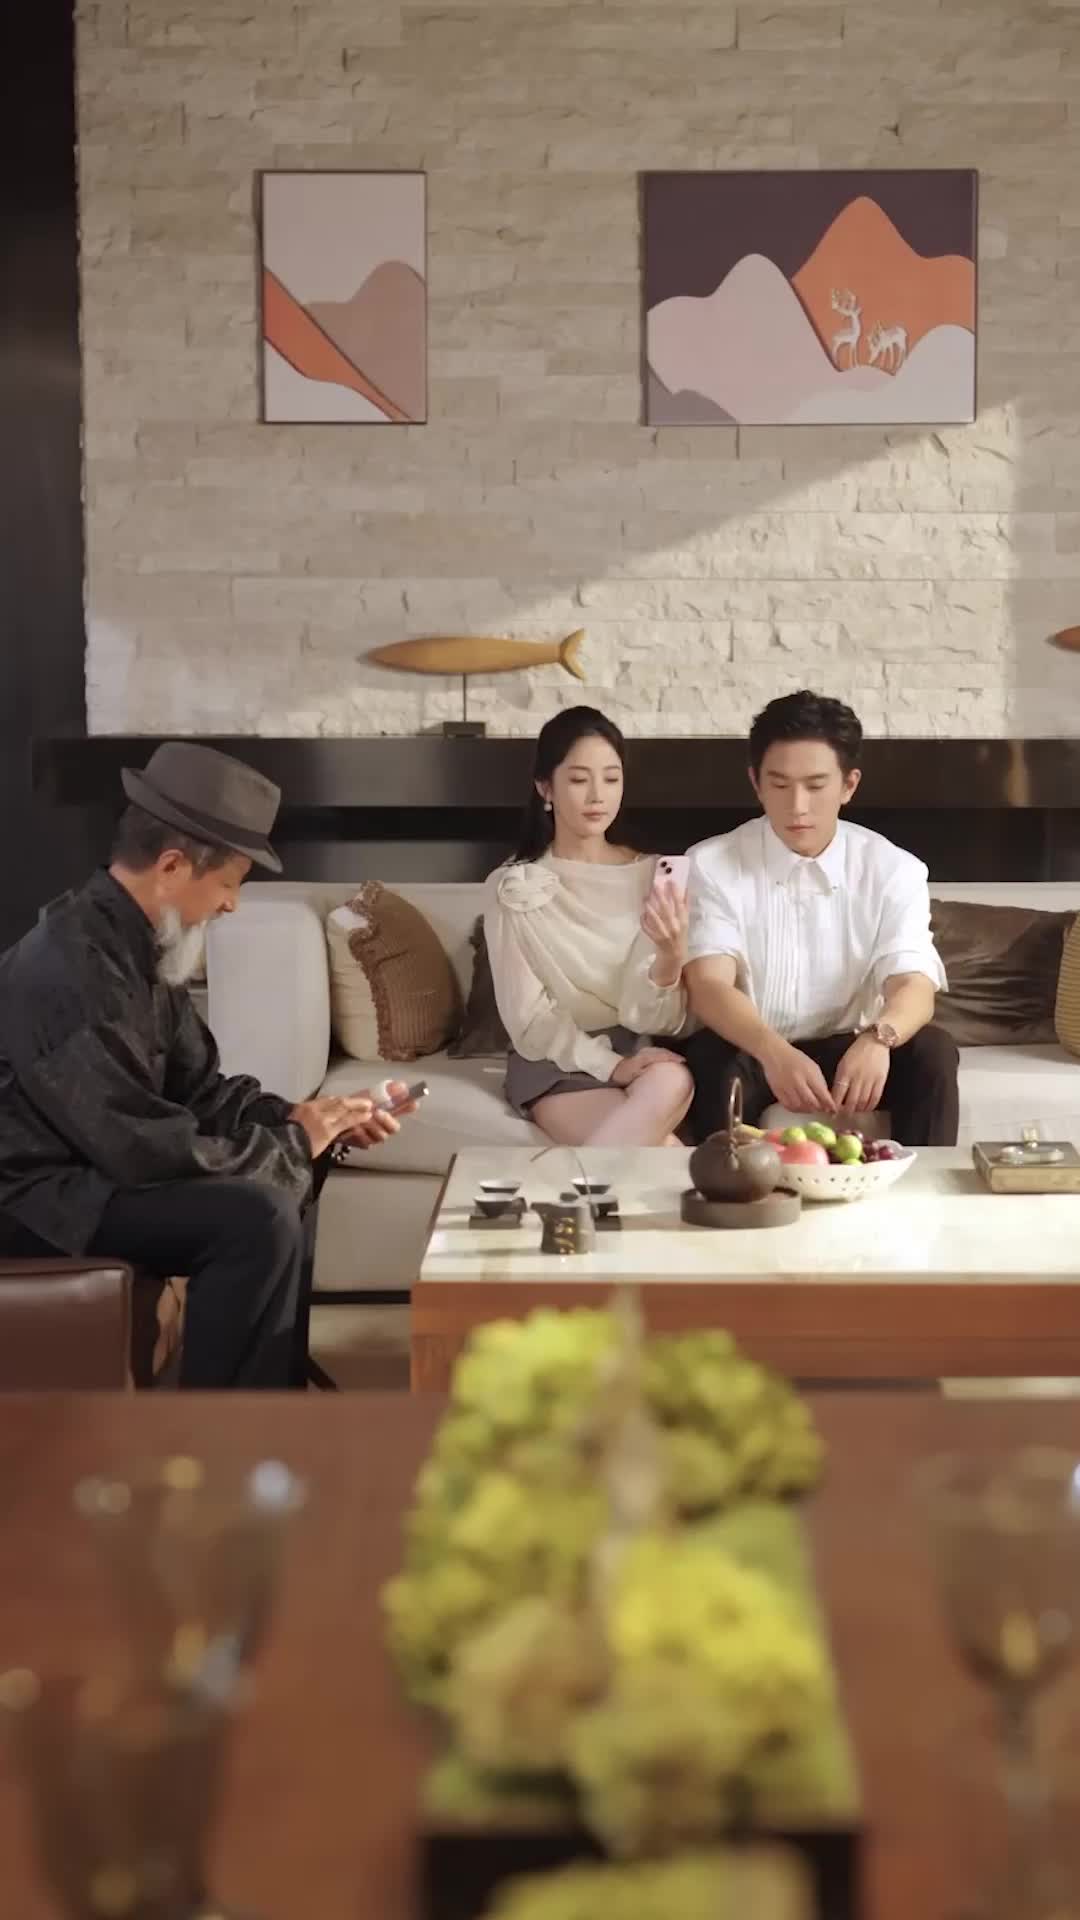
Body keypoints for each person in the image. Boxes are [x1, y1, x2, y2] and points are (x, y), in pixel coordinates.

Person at [0, 742, 415, 1389]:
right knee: (254, 1219)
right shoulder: (68, 965)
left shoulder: (143, 945)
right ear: (172, 866)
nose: (231, 905)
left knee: (292, 1175)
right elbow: (134, 1144)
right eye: (229, 883)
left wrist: (308, 1120)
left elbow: (202, 1091)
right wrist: (289, 1142)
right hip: (40, 1198)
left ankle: (271, 1400)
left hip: (97, 1170)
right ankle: (220, 1435)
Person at [682, 691, 958, 1147]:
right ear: (755, 782)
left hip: (853, 1042)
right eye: (779, 785)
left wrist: (879, 1039)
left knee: (933, 1050)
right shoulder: (711, 864)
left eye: (815, 786)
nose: (797, 806)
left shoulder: (894, 869)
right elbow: (709, 984)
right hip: (754, 1044)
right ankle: (729, 1182)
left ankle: (924, 1186)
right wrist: (773, 1051)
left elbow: (914, 983)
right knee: (712, 1054)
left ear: (848, 785)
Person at [485, 706, 694, 1147]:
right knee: (668, 1156)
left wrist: (671, 958)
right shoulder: (514, 886)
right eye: (580, 780)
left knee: (673, 1078)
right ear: (546, 788)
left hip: (639, 1050)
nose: (598, 795)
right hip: (556, 1059)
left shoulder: (653, 874)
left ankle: (573, 1186)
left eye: (611, 779)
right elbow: (529, 1018)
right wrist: (612, 1067)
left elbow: (660, 1020)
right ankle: (588, 1186)